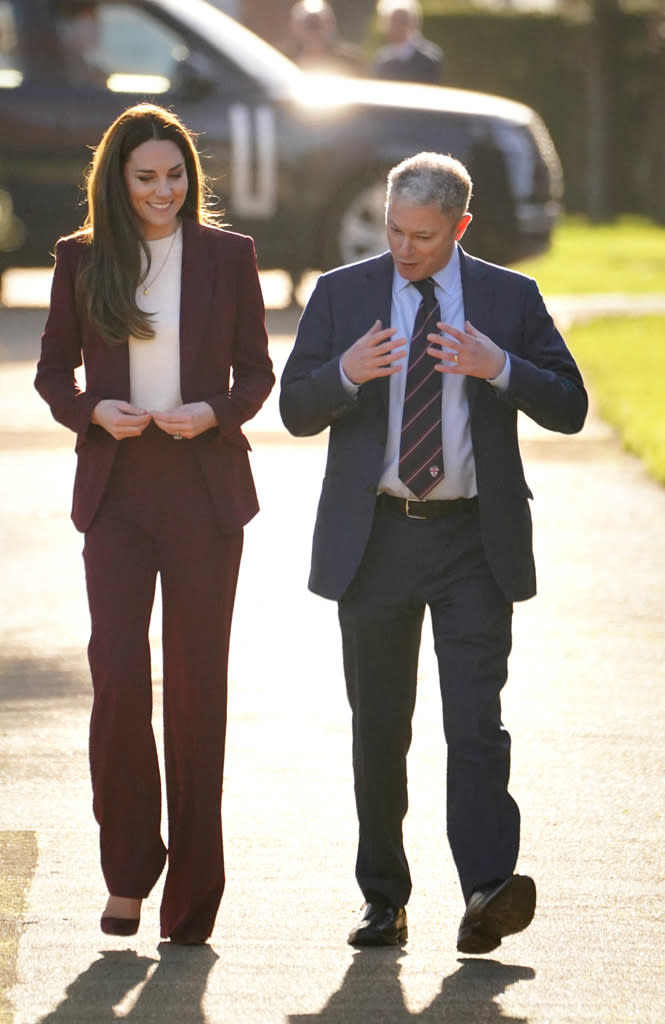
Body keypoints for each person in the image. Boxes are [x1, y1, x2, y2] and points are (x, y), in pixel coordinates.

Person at [280, 152, 587, 953]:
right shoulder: (342, 293)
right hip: (375, 539)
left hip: (471, 541)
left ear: (460, 226)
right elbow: (293, 407)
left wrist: (501, 366)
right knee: (379, 728)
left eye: (423, 235)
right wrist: (343, 374)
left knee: (475, 723)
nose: (405, 248)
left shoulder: (508, 298)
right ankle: (382, 898)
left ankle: (486, 889)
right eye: (394, 230)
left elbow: (569, 406)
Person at [35, 103, 274, 945]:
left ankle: (192, 901)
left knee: (198, 693)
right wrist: (92, 411)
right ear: (117, 180)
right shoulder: (81, 258)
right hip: (119, 494)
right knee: (118, 683)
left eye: (176, 176)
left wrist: (214, 412)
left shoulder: (227, 255)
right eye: (146, 177)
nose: (163, 191)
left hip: (205, 495)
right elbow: (51, 374)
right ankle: (128, 874)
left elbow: (256, 375)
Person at [284, 0, 365, 76]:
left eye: (319, 24)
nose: (315, 31)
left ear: (331, 24)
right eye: (309, 24)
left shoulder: (350, 62)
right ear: (293, 26)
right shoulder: (283, 62)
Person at [372, 0, 443, 84]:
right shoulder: (382, 59)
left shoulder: (429, 58)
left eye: (401, 21)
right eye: (390, 21)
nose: (394, 27)